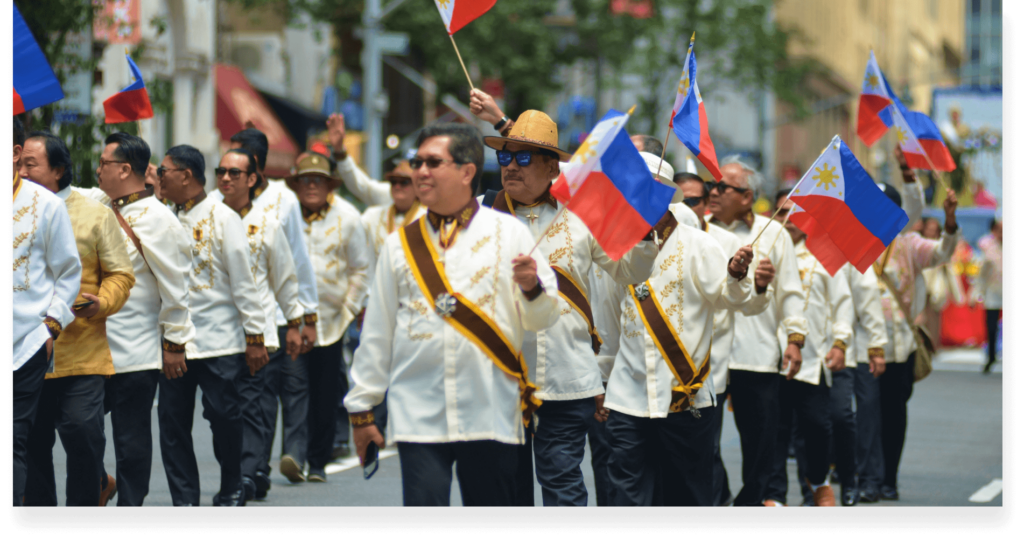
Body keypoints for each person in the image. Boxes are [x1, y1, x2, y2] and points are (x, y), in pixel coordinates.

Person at [345, 123, 562, 507]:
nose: (421, 172)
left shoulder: (509, 234)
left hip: (491, 409)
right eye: (417, 162)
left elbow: (544, 318)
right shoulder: (399, 246)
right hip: (418, 412)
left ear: (467, 171)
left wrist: (531, 288)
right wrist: (362, 410)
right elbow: (377, 332)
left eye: (433, 162)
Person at [470, 89, 661, 507]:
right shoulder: (481, 217)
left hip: (566, 381)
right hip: (499, 378)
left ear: (552, 167)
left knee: (563, 488)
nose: (511, 168)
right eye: (505, 157)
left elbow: (630, 270)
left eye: (524, 158)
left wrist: (643, 233)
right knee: (504, 491)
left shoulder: (581, 217)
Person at [75, 133, 196, 507]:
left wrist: (174, 345)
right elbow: (68, 192)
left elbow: (177, 289)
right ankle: (99, 483)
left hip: (136, 353)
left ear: (125, 169)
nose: (97, 170)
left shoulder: (160, 220)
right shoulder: (102, 204)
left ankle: (130, 505)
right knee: (78, 428)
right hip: (91, 349)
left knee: (131, 442)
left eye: (104, 163)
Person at [20, 132, 136, 508]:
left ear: (59, 169)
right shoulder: (17, 208)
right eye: (18, 162)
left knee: (83, 433)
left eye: (30, 164)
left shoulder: (95, 214)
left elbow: (121, 274)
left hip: (80, 352)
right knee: (31, 444)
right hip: (26, 351)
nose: (20, 170)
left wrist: (101, 302)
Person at [157, 145, 268, 507]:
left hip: (218, 341)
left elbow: (244, 283)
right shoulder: (164, 218)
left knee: (224, 417)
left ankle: (233, 484)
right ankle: (185, 499)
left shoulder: (223, 218)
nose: (159, 178)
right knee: (172, 423)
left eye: (164, 172)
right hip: (174, 342)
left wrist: (255, 337)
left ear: (185, 176)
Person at [707, 156, 809, 507]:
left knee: (761, 442)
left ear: (748, 196)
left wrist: (794, 340)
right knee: (705, 441)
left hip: (757, 352)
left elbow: (792, 293)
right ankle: (720, 499)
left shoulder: (774, 232)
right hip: (708, 354)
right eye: (714, 185)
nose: (715, 192)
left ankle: (751, 502)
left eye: (725, 187)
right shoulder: (698, 231)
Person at [224, 129, 320, 497]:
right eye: (225, 168)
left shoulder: (284, 200)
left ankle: (256, 469)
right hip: (234, 322)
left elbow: (297, 260)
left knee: (268, 396)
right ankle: (256, 469)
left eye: (237, 167)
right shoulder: (220, 201)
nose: (228, 176)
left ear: (257, 169)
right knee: (250, 399)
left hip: (278, 318)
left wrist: (305, 317)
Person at [676, 171, 776, 508]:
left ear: (706, 205)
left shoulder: (724, 242)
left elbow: (746, 302)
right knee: (690, 455)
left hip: (720, 363)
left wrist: (757, 285)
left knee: (734, 445)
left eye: (692, 201)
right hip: (671, 367)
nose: (684, 207)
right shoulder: (656, 240)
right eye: (678, 199)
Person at [868, 176, 960, 501]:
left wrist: (949, 221)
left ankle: (888, 478)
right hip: (862, 347)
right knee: (863, 414)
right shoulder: (850, 242)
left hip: (901, 348)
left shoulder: (907, 244)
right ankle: (867, 477)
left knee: (893, 415)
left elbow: (942, 252)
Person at [761, 192, 855, 508]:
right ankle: (774, 494)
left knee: (816, 427)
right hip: (768, 358)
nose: (786, 219)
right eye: (780, 212)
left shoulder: (822, 254)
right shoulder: (762, 251)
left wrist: (840, 342)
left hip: (810, 360)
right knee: (774, 429)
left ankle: (818, 484)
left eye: (793, 212)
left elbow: (843, 302)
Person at [285, 153, 370, 484]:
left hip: (332, 322)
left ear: (329, 185)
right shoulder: (286, 215)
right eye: (305, 180)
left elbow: (361, 269)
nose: (311, 186)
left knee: (323, 393)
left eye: (317, 180)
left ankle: (318, 461)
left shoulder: (348, 218)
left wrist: (349, 310)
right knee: (292, 389)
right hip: (290, 319)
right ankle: (293, 454)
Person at [11, 118, 82, 508]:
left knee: (16, 435)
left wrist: (51, 325)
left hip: (27, 342)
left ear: (15, 153)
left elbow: (68, 272)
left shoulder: (47, 206)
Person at [326, 113, 393, 206]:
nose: (398, 186)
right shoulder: (391, 195)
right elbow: (363, 186)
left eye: (405, 182)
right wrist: (339, 151)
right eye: (395, 181)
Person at [974, 218, 1003, 373]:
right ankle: (991, 356)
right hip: (993, 290)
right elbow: (982, 274)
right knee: (991, 326)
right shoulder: (987, 247)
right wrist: (976, 293)